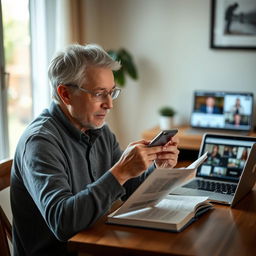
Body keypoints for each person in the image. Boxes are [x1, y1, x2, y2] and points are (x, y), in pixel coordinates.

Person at [10, 44, 179, 256]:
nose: (109, 104)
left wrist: (158, 169)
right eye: (99, 94)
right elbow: (63, 223)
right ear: (66, 94)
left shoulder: (100, 131)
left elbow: (131, 189)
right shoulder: (40, 143)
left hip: (96, 244)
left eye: (111, 93)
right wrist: (121, 171)